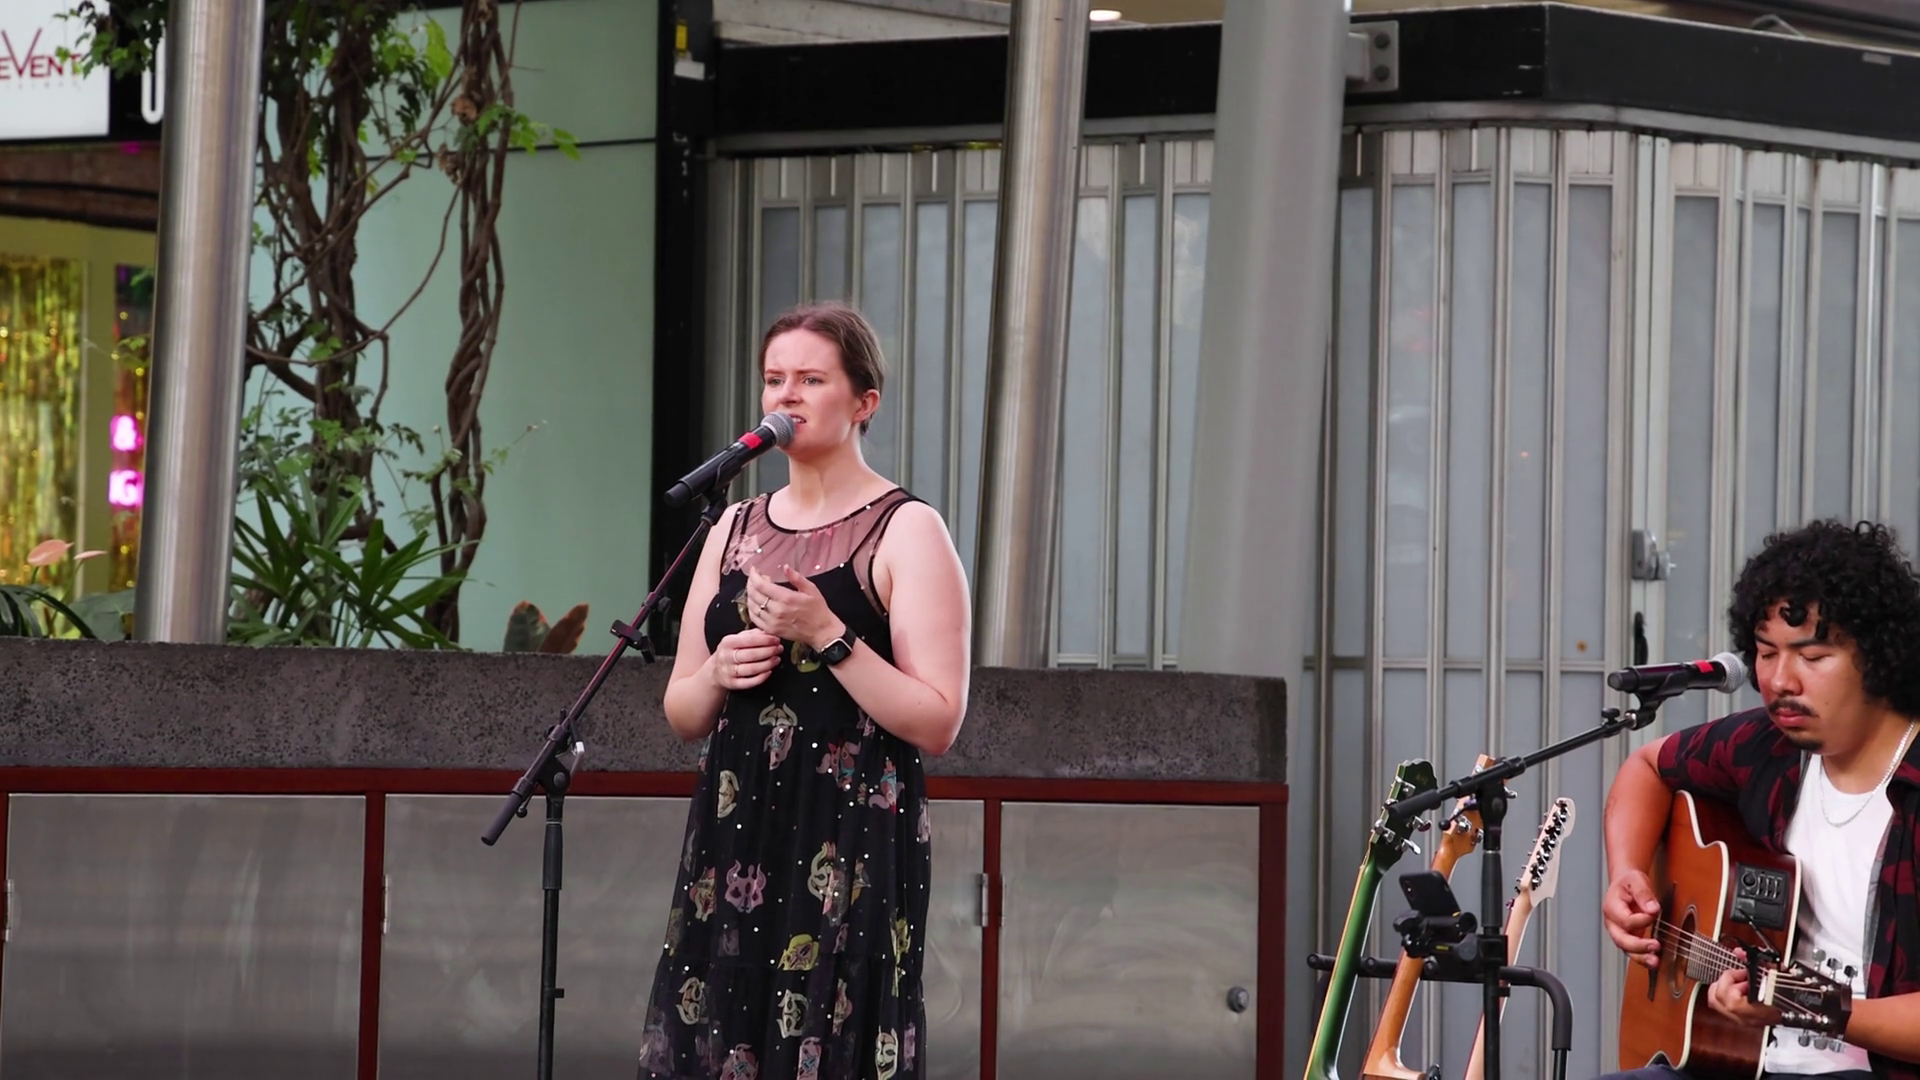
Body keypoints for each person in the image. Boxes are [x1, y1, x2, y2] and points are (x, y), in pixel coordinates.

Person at [636, 301, 971, 1080]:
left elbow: (938, 720)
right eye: (774, 378)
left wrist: (828, 634)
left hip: (850, 832)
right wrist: (719, 671)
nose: (786, 395)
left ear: (864, 402)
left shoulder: (906, 529)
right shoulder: (731, 527)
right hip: (737, 826)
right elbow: (683, 711)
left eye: (811, 379)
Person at [1597, 519, 1920, 1080]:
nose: (1779, 681)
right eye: (1766, 653)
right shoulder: (1767, 749)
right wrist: (1627, 872)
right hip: (1742, 1059)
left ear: (1880, 657)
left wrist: (1808, 1006)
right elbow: (1646, 768)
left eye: (1812, 657)